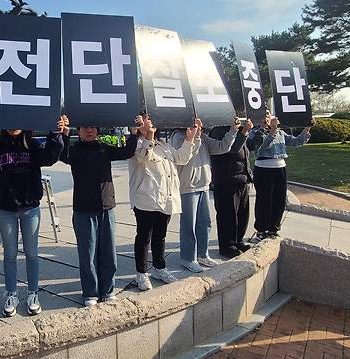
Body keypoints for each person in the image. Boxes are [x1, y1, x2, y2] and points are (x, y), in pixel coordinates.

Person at [0, 118, 65, 317]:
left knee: (32, 253)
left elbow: (50, 157)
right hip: (6, 210)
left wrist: (55, 133)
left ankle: (33, 293)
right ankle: (11, 293)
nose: (14, 124)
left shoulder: (33, 146)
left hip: (30, 208)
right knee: (10, 254)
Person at [59, 115, 140, 306]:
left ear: (97, 130)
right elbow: (61, 154)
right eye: (85, 127)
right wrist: (63, 134)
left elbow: (127, 151)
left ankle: (108, 289)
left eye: (93, 127)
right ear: (78, 131)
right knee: (87, 255)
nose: (89, 130)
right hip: (83, 210)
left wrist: (134, 132)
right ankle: (90, 292)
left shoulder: (104, 148)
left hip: (107, 207)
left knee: (109, 253)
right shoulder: (74, 151)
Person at [128, 115, 199, 290]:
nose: (150, 120)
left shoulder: (164, 145)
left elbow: (181, 158)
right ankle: (141, 274)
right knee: (144, 237)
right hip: (146, 200)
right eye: (146, 118)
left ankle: (160, 268)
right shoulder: (135, 145)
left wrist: (190, 139)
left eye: (151, 118)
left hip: (166, 199)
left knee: (160, 236)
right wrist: (148, 138)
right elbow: (141, 158)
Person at [170, 118, 238, 273]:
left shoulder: (204, 137)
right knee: (189, 225)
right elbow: (185, 157)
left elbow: (222, 147)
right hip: (188, 187)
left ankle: (202, 254)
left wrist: (233, 130)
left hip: (203, 186)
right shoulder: (179, 136)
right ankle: (188, 258)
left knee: (204, 223)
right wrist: (195, 137)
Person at [248, 112, 312, 239]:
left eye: (268, 115)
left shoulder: (280, 132)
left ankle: (273, 228)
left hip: (280, 168)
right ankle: (261, 229)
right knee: (264, 201)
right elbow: (261, 146)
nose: (267, 118)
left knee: (279, 201)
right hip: (263, 169)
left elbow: (296, 142)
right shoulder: (255, 132)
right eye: (264, 115)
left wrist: (307, 128)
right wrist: (271, 131)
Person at [210, 118, 254, 258]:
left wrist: (263, 131)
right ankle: (227, 246)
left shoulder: (238, 130)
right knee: (227, 216)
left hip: (242, 178)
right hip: (226, 180)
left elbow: (251, 146)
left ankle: (238, 241)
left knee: (242, 214)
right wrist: (243, 131)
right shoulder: (218, 131)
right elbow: (232, 149)